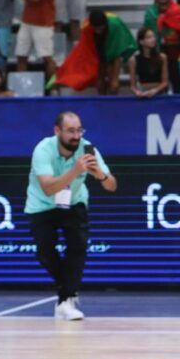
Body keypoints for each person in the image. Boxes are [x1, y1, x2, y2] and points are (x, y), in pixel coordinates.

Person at [26, 111, 117, 321]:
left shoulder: (87, 148)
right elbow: (48, 188)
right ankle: (66, 289)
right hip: (42, 204)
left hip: (74, 201)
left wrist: (100, 175)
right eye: (70, 131)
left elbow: (112, 185)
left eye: (79, 130)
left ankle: (67, 299)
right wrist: (76, 171)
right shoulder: (43, 150)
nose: (76, 136)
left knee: (78, 247)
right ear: (57, 131)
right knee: (44, 252)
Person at [15, 0, 58, 85]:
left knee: (46, 57)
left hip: (42, 22)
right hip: (27, 20)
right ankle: (22, 86)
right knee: (21, 55)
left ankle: (52, 85)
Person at [128, 26, 168, 98]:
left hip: (159, 93)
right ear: (141, 41)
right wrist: (137, 92)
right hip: (143, 92)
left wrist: (155, 90)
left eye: (153, 36)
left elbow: (165, 82)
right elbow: (132, 86)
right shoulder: (133, 60)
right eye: (149, 37)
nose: (153, 39)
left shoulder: (162, 57)